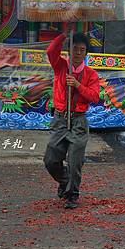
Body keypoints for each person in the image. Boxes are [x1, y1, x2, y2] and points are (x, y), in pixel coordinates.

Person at [44, 32, 100, 209]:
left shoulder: (91, 74)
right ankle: (65, 181)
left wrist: (77, 85)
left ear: (86, 54)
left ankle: (72, 194)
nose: (77, 53)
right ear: (69, 51)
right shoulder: (60, 66)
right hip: (60, 119)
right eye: (74, 49)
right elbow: (51, 50)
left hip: (79, 122)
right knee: (50, 159)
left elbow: (95, 97)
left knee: (75, 160)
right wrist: (63, 35)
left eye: (82, 50)